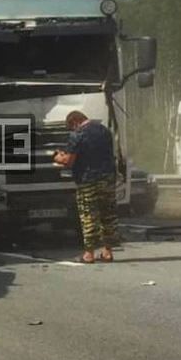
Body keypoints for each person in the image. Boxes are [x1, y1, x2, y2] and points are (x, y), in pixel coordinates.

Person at [54, 110, 119, 264]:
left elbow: (69, 161)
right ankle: (107, 252)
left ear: (75, 122)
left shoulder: (78, 134)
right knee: (108, 214)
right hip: (108, 178)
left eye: (72, 127)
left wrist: (58, 157)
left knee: (88, 215)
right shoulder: (104, 131)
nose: (73, 130)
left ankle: (89, 254)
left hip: (87, 180)